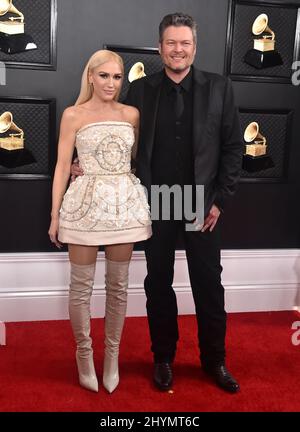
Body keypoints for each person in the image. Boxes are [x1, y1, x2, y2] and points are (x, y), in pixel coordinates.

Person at [72, 13, 243, 393]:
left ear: (194, 47)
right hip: (155, 201)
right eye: (170, 43)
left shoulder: (219, 88)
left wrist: (219, 201)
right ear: (160, 47)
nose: (177, 49)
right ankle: (163, 358)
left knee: (208, 285)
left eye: (184, 43)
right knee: (158, 284)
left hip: (201, 202)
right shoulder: (140, 90)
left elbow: (234, 148)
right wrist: (85, 162)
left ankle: (214, 360)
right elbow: (119, 140)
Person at [48, 50, 152, 394]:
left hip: (123, 205)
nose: (111, 83)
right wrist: (54, 215)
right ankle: (83, 355)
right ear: (90, 76)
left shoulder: (132, 114)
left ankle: (111, 358)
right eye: (104, 76)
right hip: (83, 207)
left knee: (118, 287)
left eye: (117, 77)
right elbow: (63, 166)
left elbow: (139, 160)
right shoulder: (73, 114)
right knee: (80, 289)